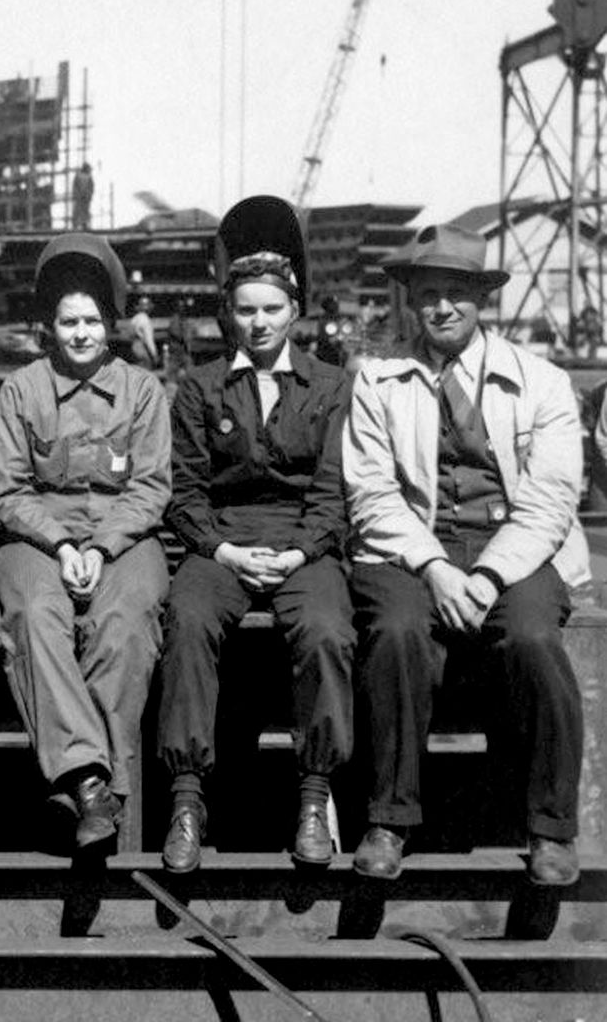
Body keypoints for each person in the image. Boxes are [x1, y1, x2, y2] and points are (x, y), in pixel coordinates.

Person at [343, 224, 588, 886]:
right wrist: (435, 567)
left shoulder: (541, 382)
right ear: (410, 302)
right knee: (395, 633)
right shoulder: (377, 381)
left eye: (456, 293)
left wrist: (483, 575)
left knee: (534, 638)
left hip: (515, 545)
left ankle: (551, 830)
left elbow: (550, 502)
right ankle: (390, 820)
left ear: (482, 300)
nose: (442, 307)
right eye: (428, 294)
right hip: (410, 546)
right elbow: (371, 492)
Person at [156, 195, 355, 874]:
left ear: (293, 311)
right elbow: (184, 494)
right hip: (224, 541)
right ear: (229, 313)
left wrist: (300, 551)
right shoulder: (199, 388)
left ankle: (313, 794)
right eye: (246, 309)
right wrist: (223, 551)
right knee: (186, 618)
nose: (259, 322)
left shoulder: (331, 387)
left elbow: (335, 490)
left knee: (326, 628)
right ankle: (187, 799)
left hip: (307, 543)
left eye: (271, 308)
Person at [0, 234, 171, 854]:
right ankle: (94, 781)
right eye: (68, 322)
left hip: (126, 536)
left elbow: (150, 488)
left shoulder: (143, 391)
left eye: (92, 320)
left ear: (111, 325)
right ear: (50, 326)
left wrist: (104, 546)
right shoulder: (23, 390)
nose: (81, 333)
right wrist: (65, 545)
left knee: (127, 620)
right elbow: (9, 491)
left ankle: (87, 792)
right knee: (33, 615)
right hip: (37, 537)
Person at [128, 295, 158, 369]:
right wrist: (154, 354)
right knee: (145, 373)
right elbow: (148, 340)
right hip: (142, 349)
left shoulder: (134, 319)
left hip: (134, 347)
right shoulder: (145, 320)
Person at [71, 163, 95, 231]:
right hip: (82, 198)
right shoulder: (86, 177)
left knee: (81, 211)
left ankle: (81, 225)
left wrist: (87, 195)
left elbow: (91, 187)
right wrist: (88, 195)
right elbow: (91, 188)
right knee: (81, 211)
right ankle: (80, 225)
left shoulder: (80, 176)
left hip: (82, 198)